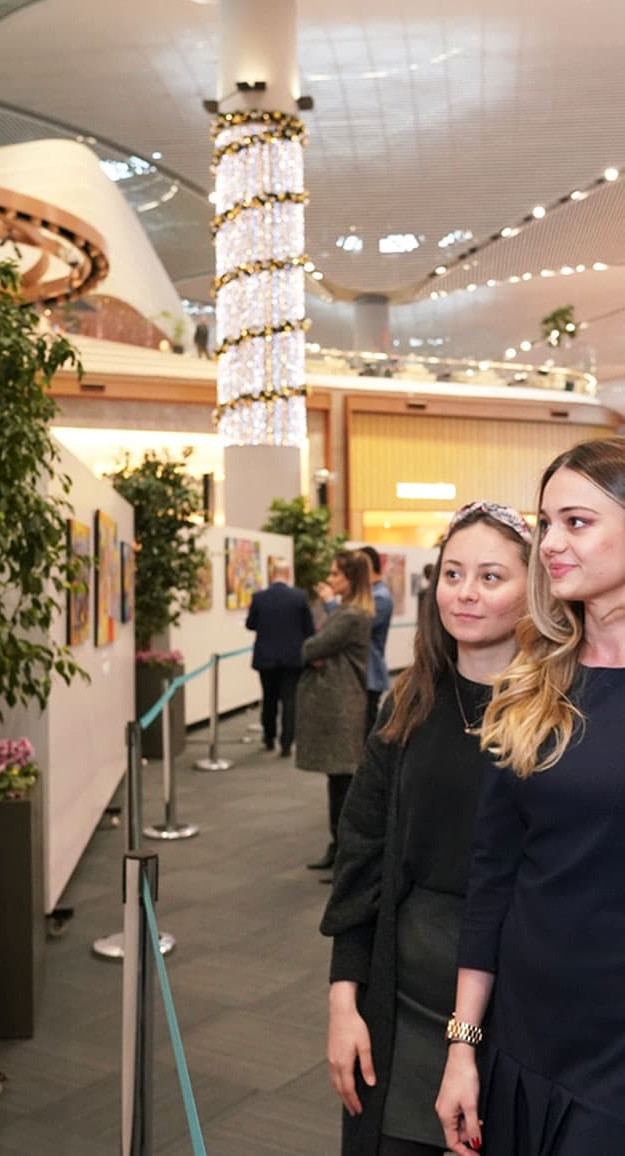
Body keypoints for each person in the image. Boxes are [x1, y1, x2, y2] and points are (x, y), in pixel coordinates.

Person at [320, 502, 531, 1156]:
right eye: (453, 573)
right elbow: (361, 862)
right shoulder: (406, 705)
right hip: (400, 997)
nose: (465, 593)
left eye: (491, 577)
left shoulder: (559, 718)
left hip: (516, 1000)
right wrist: (342, 1001)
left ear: (535, 591)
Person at [436, 437, 625, 1156]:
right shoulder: (530, 685)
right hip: (527, 1037)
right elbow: (492, 882)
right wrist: (462, 1049)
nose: (550, 543)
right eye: (546, 523)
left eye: (576, 522)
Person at [296, 550, 373, 871]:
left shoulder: (352, 615)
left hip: (342, 704)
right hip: (340, 702)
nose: (329, 580)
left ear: (350, 578)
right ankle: (337, 849)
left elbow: (312, 647)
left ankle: (344, 855)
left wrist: (314, 650)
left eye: (335, 574)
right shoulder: (347, 612)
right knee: (338, 781)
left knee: (343, 783)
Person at [246, 558, 314, 756]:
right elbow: (308, 628)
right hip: (292, 658)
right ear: (288, 574)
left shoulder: (259, 598)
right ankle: (286, 743)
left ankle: (269, 737)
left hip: (266, 657)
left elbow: (250, 624)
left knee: (269, 698)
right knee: (290, 700)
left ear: (271, 574)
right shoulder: (299, 597)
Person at [360, 545, 394, 738]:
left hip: (370, 674)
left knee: (366, 733)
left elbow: (356, 627)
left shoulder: (379, 597)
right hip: (366, 672)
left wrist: (332, 604)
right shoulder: (372, 594)